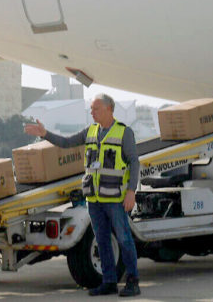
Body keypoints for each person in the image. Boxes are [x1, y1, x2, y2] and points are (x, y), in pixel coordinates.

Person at [24, 93, 141, 297]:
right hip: (94, 200)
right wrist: (45, 134)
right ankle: (109, 282)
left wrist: (131, 191)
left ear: (108, 109)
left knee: (124, 240)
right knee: (102, 240)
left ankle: (132, 281)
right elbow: (66, 142)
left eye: (95, 108)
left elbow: (134, 162)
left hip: (115, 199)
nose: (92, 112)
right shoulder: (91, 131)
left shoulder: (124, 133)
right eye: (91, 109)